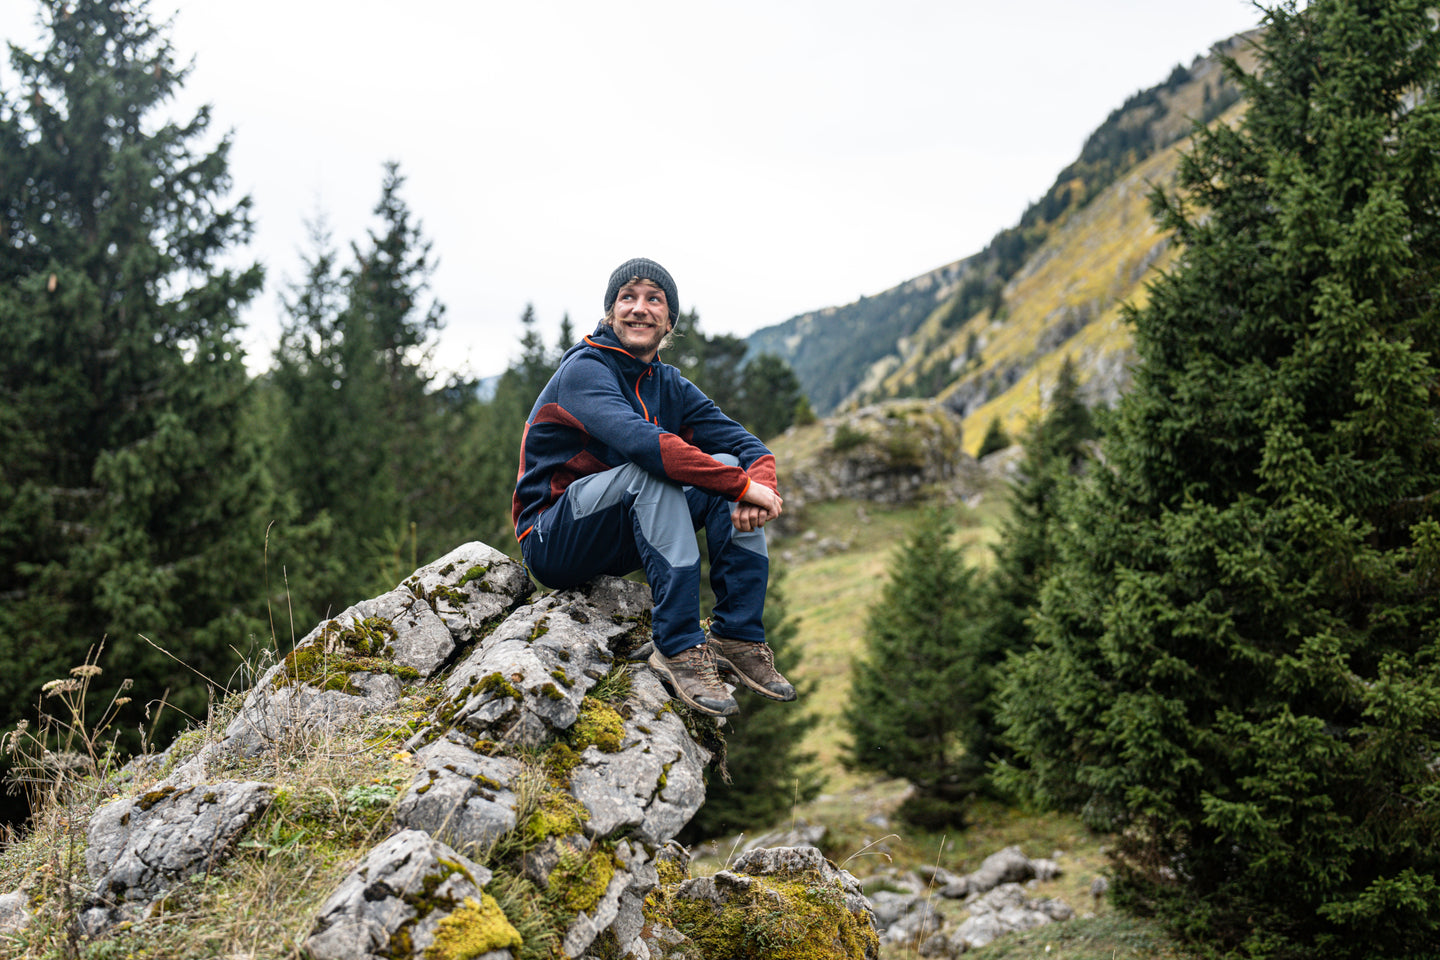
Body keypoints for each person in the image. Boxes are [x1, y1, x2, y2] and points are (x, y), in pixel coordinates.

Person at [513, 257, 794, 717]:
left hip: (620, 532)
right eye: (627, 297)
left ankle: (738, 636)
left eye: (653, 299)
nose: (639, 308)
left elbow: (747, 446)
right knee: (660, 468)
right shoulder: (585, 370)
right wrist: (738, 485)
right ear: (609, 313)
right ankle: (678, 646)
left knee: (723, 464)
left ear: (669, 321)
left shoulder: (668, 383)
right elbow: (645, 445)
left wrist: (755, 483)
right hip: (553, 537)